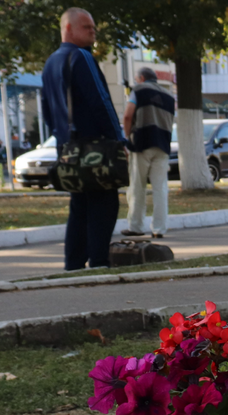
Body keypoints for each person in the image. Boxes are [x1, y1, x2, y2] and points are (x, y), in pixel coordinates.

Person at [41, 7, 126, 270]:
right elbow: (101, 101)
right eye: (87, 27)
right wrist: (118, 139)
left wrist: (62, 139)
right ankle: (99, 261)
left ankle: (73, 265)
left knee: (79, 205)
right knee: (104, 202)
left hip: (68, 150)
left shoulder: (50, 63)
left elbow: (47, 110)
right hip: (95, 149)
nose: (93, 32)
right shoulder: (81, 56)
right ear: (68, 28)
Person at [122, 67, 174, 239]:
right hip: (163, 145)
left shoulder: (138, 90)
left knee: (137, 186)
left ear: (141, 78)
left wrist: (126, 138)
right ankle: (159, 229)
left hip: (141, 143)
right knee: (160, 188)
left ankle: (136, 226)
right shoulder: (168, 96)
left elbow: (128, 116)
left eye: (137, 79)